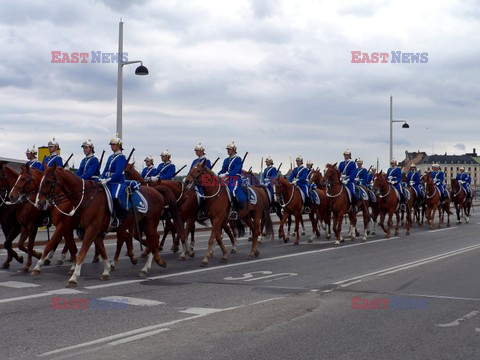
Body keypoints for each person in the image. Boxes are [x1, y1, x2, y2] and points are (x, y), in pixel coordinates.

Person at [100, 135, 127, 227]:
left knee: (114, 196)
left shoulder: (121, 157)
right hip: (108, 181)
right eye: (111, 145)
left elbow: (118, 173)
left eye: (113, 144)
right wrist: (102, 178)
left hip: (118, 182)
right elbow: (105, 170)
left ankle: (119, 217)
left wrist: (107, 179)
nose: (112, 146)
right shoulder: (110, 157)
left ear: (119, 145)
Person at [218, 142, 246, 219]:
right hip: (226, 179)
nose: (228, 151)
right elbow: (223, 170)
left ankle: (234, 210)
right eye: (227, 149)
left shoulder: (238, 159)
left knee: (233, 191)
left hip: (235, 178)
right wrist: (219, 174)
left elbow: (236, 170)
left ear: (233, 150)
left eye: (229, 149)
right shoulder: (226, 160)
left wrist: (226, 175)